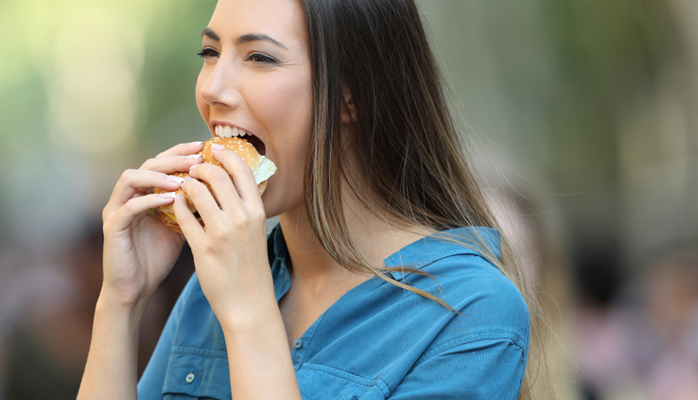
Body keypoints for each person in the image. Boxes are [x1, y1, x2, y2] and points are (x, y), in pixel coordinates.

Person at [79, 0, 550, 398]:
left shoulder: (472, 312)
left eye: (259, 57)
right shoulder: (211, 286)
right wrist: (121, 300)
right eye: (210, 51)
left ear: (352, 94)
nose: (211, 89)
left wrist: (248, 315)